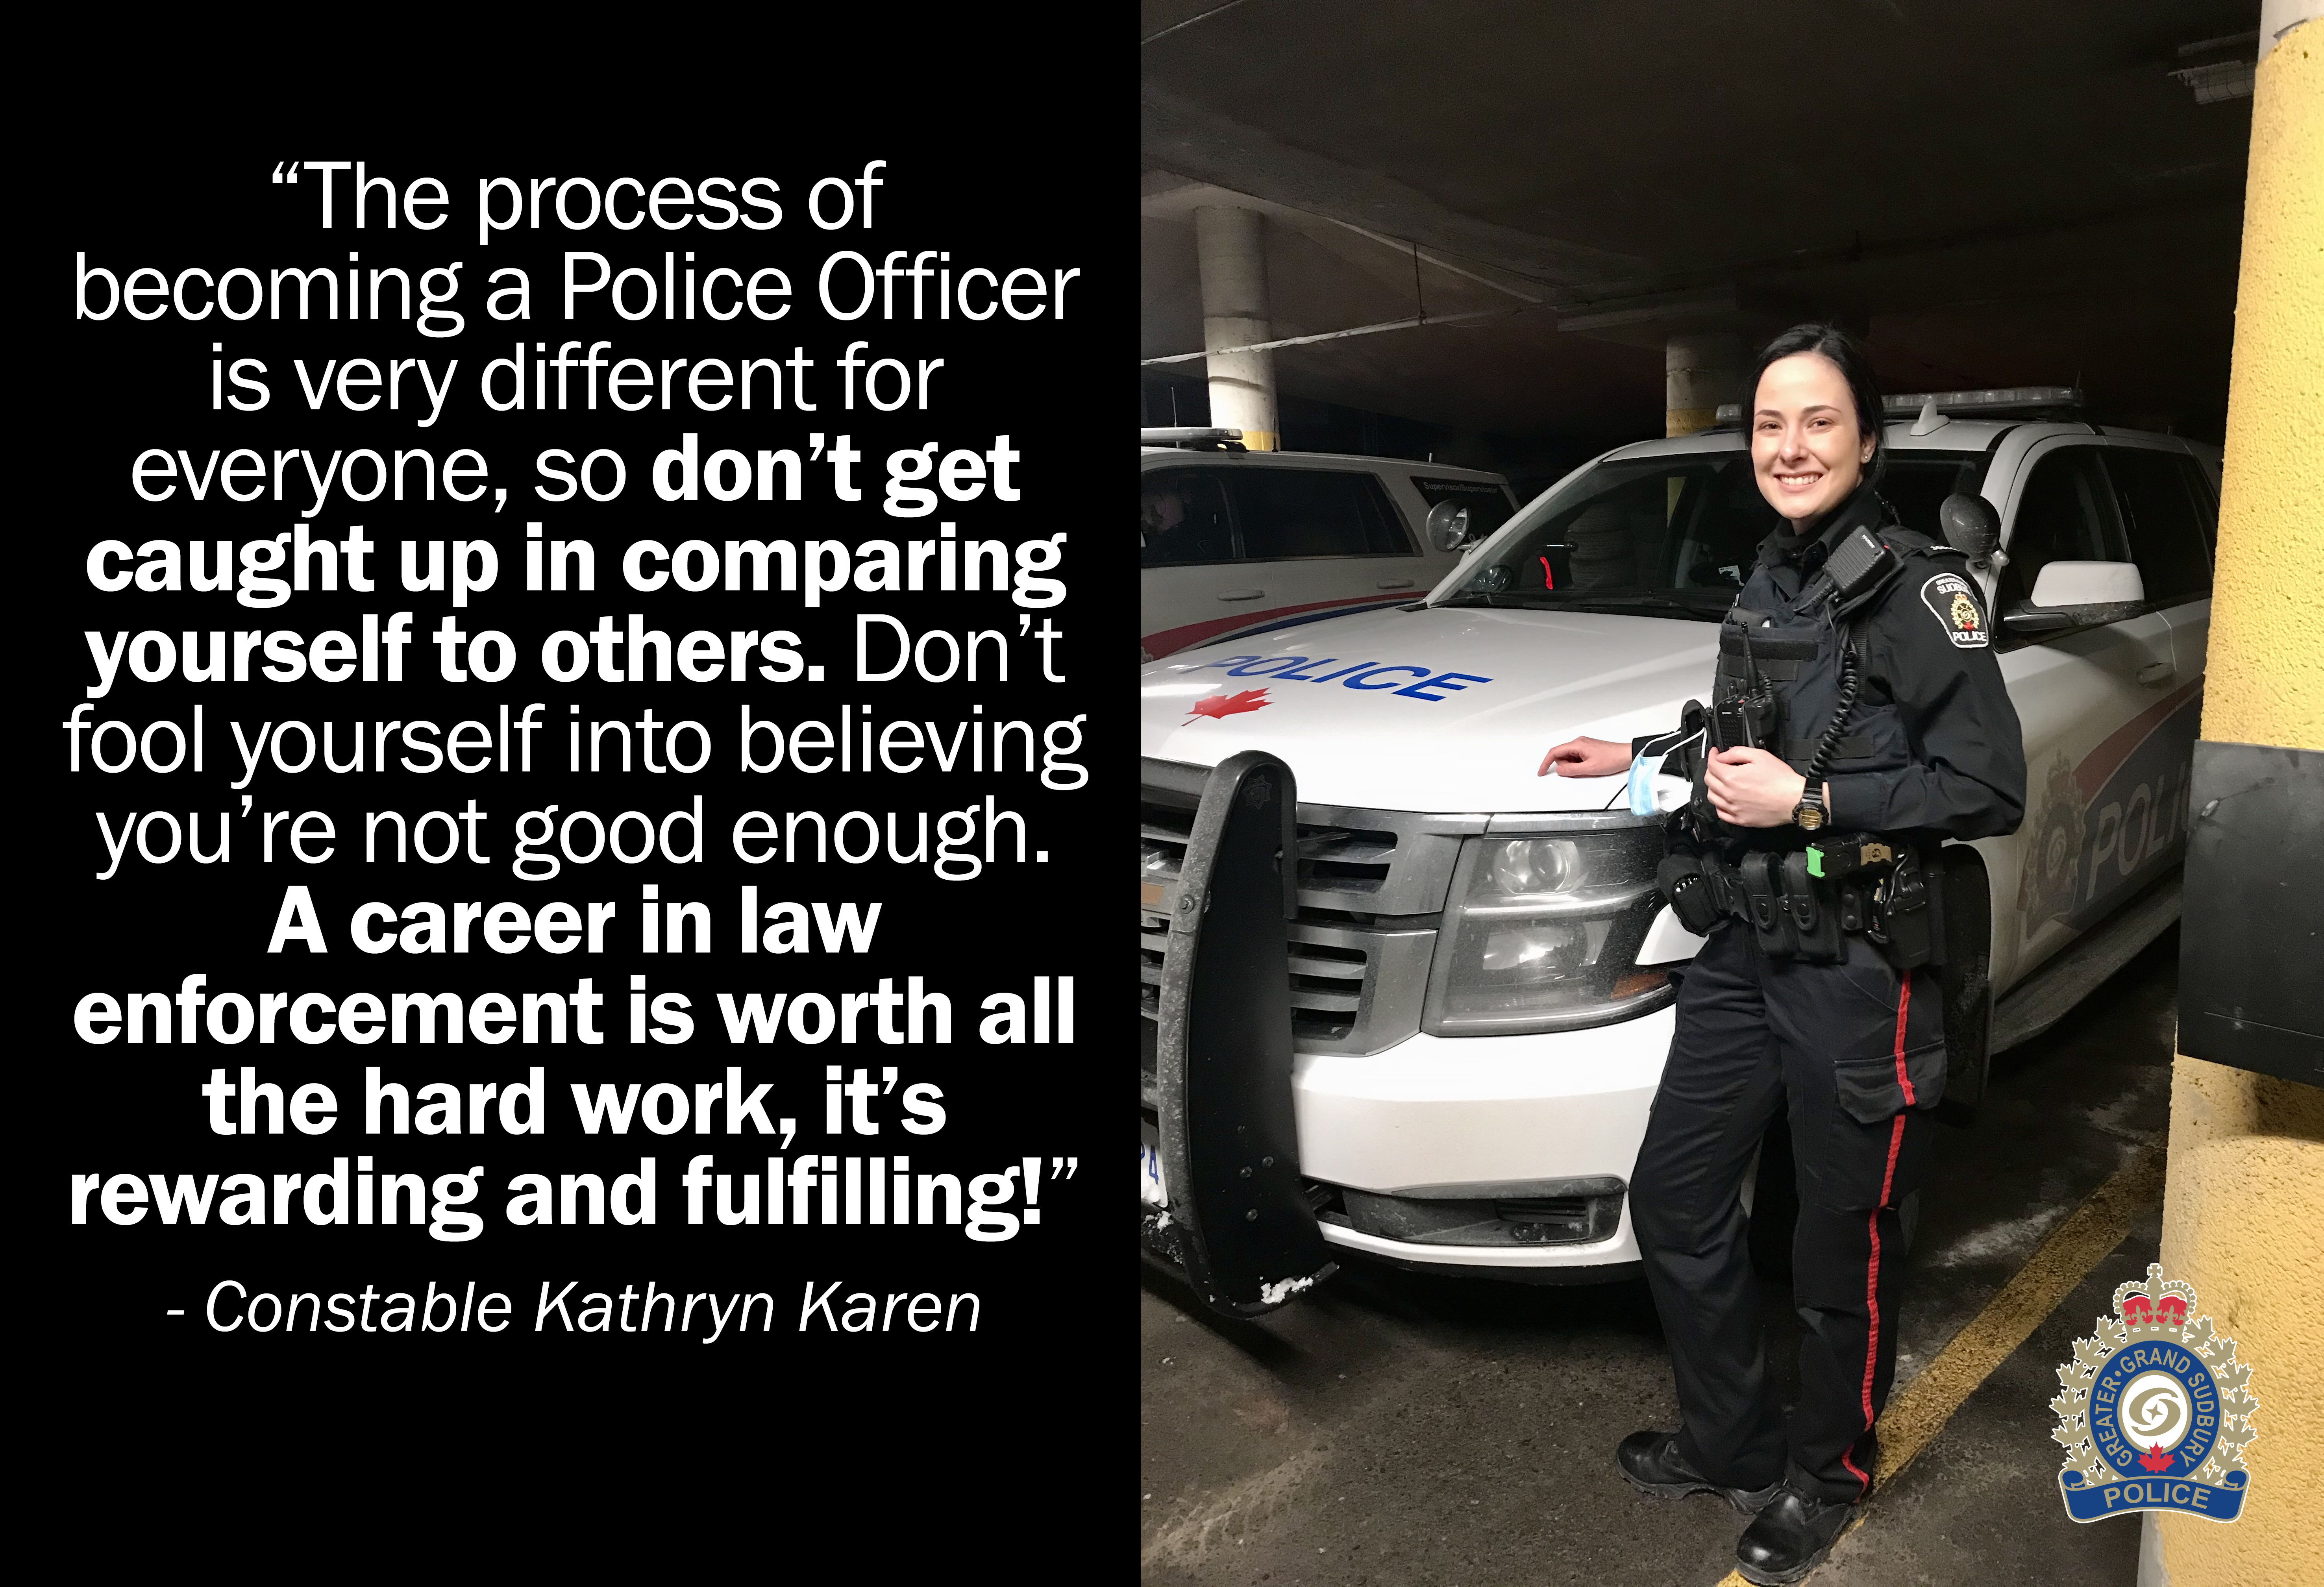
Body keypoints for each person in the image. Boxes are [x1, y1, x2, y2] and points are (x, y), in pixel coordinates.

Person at [1540, 325, 2025, 1585]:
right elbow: (1744, 741)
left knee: (1838, 1241)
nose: (1789, 445)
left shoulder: (1923, 593)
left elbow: (1987, 783)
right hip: (1750, 946)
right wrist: (1643, 759)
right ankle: (1733, 1442)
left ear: (1866, 440)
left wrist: (1812, 809)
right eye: (1768, 423)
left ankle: (1826, 1477)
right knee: (1679, 1199)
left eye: (1817, 421)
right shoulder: (1771, 577)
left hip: (1856, 967)